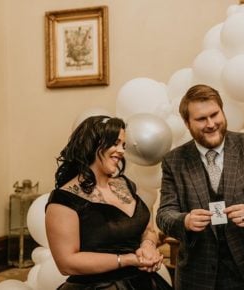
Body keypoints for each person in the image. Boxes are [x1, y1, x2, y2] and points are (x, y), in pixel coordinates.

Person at [156, 84, 244, 290]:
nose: (211, 124)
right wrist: (184, 220)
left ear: (223, 111)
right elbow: (164, 214)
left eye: (215, 114)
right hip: (197, 279)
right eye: (201, 119)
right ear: (187, 123)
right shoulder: (174, 161)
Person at [45, 115, 173, 290]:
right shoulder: (64, 200)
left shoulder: (126, 184)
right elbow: (67, 262)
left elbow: (147, 229)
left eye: (123, 145)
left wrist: (148, 245)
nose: (121, 151)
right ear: (92, 143)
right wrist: (127, 259)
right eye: (115, 143)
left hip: (143, 283)